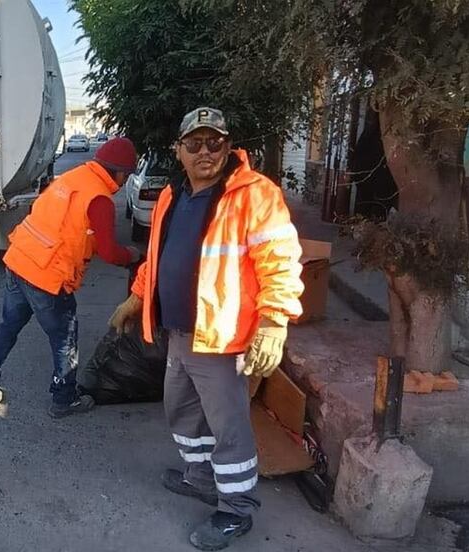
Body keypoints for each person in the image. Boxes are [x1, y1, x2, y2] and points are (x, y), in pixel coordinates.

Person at [109, 108, 304, 550]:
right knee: (180, 409)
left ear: (227, 145)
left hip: (221, 336)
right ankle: (200, 478)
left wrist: (274, 321)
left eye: (213, 142)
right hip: (180, 332)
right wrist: (137, 297)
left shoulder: (254, 194)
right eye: (194, 143)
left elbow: (280, 260)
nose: (204, 152)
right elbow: (157, 257)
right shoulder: (171, 196)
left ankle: (237, 509)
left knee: (228, 425)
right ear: (178, 150)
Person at [0, 137, 143, 418]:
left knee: (8, 327)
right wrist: (133, 255)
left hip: (19, 261)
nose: (125, 181)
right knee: (65, 338)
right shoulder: (99, 198)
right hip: (48, 276)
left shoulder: (74, 177)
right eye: (127, 174)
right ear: (120, 172)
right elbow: (110, 252)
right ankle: (64, 399)